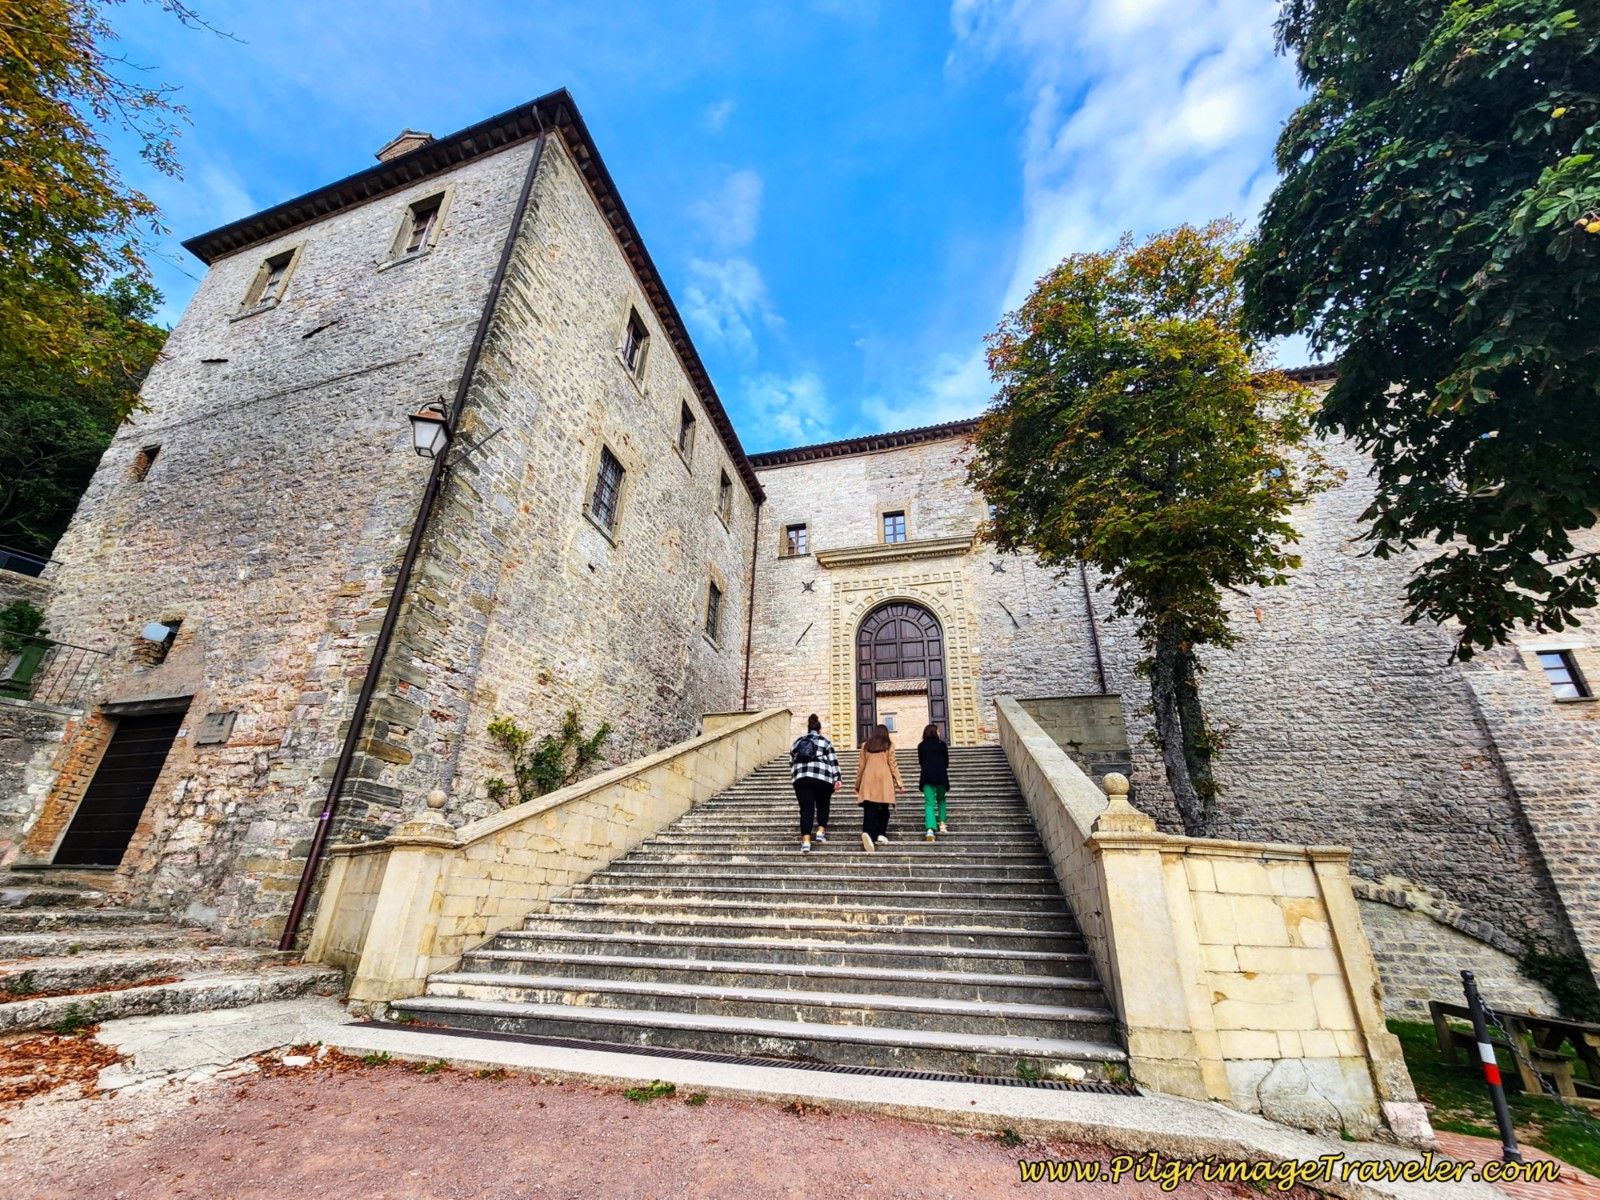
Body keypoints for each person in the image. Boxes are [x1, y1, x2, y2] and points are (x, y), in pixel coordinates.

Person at [790, 713, 840, 854]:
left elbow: (791, 761)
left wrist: (796, 776)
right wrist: (838, 778)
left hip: (802, 778)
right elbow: (833, 761)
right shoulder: (825, 741)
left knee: (806, 809)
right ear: (819, 730)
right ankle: (820, 832)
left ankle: (806, 842)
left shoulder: (797, 742)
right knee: (823, 804)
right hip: (822, 778)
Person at [854, 723, 904, 853]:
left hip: (869, 778)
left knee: (869, 808)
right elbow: (893, 764)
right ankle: (881, 833)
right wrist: (899, 782)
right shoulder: (889, 745)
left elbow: (861, 766)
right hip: (884, 779)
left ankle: (868, 834)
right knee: (884, 808)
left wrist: (857, 784)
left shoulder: (866, 745)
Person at [917, 723, 950, 842]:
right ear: (935, 732)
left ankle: (930, 829)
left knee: (929, 803)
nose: (940, 733)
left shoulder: (921, 746)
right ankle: (942, 824)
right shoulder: (942, 745)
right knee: (941, 799)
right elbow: (946, 762)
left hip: (927, 776)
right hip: (940, 776)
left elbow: (921, 762)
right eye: (938, 731)